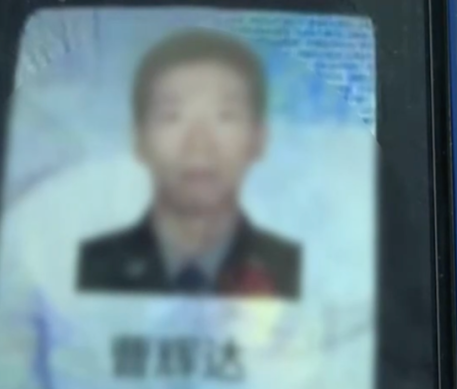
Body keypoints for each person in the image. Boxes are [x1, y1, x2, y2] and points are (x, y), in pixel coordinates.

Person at [76, 29, 301, 300]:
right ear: (138, 139)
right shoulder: (95, 268)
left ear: (258, 139)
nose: (198, 144)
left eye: (225, 116)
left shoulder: (293, 271)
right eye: (172, 116)